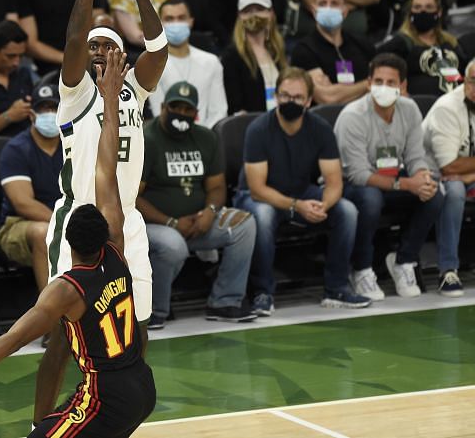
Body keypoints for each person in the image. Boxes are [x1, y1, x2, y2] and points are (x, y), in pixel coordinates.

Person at [0, 47, 157, 438]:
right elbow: (108, 170)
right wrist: (110, 102)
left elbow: (13, 339)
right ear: (106, 234)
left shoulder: (66, 290)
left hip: (105, 396)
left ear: (67, 240)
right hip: (142, 385)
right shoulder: (118, 251)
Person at [35, 0, 168, 426]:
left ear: (121, 58)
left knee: (138, 327)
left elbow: (158, 45)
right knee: (59, 334)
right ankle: (40, 424)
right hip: (79, 224)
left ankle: (117, 418)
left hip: (126, 222)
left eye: (106, 46)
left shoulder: (132, 91)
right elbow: (72, 38)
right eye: (92, 47)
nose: (95, 51)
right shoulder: (74, 97)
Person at [235, 67, 370, 315]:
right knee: (263, 216)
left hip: (302, 192)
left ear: (308, 101)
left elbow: (334, 181)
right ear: (276, 96)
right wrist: (297, 206)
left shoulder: (319, 128)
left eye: (297, 97)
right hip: (259, 197)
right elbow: (257, 189)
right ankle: (262, 292)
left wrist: (323, 206)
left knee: (347, 211)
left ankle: (336, 288)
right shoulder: (258, 129)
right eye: (285, 95)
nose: (290, 101)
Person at [139, 81, 257, 328]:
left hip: (198, 221)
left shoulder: (206, 138)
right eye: (175, 107)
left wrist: (210, 212)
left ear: (196, 114)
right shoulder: (146, 139)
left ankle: (225, 301)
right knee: (173, 246)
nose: (180, 114)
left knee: (244, 225)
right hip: (155, 225)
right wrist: (171, 222)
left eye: (187, 110)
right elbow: (132, 198)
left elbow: (216, 187)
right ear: (162, 107)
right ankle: (154, 309)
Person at [335, 53, 445, 300]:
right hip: (351, 185)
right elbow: (359, 174)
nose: (383, 88)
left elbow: (416, 156)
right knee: (371, 199)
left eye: (391, 83)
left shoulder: (410, 109)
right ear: (368, 83)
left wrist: (423, 178)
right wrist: (408, 184)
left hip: (393, 177)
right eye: (378, 81)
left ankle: (404, 261)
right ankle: (361, 268)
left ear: (403, 86)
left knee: (435, 193)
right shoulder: (353, 116)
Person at [0, 82, 64, 293]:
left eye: (54, 109)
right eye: (44, 110)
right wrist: (64, 224)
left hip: (68, 218)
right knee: (43, 233)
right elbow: (23, 203)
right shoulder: (16, 149)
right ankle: (52, 314)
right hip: (19, 224)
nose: (50, 114)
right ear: (32, 115)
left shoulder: (73, 145)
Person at [420, 60, 474, 297]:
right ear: (464, 81)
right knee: (454, 191)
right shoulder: (447, 109)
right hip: (433, 175)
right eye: (473, 81)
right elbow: (449, 166)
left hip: (467, 172)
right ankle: (448, 270)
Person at [147, 0, 227, 127]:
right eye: (169, 19)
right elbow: (158, 112)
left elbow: (218, 111)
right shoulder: (152, 65)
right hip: (166, 138)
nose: (176, 23)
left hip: (205, 138)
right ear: (160, 23)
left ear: (191, 22)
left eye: (181, 18)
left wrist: (203, 137)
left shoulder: (211, 62)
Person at [290, 0, 375, 105]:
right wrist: (369, 84)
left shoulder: (364, 46)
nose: (328, 8)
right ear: (314, 11)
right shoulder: (303, 50)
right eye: (322, 4)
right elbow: (328, 97)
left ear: (345, 12)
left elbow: (382, 83)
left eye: (334, 3)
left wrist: (341, 91)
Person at [377, 0, 465, 97]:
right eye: (417, 7)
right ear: (410, 13)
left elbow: (467, 72)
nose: (423, 11)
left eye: (429, 7)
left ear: (439, 12)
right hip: (419, 107)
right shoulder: (400, 43)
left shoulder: (451, 42)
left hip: (456, 103)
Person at [221, 0, 287, 115]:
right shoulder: (232, 56)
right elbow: (236, 105)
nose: (254, 15)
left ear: (271, 13)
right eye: (247, 11)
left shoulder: (276, 50)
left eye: (260, 10)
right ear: (240, 16)